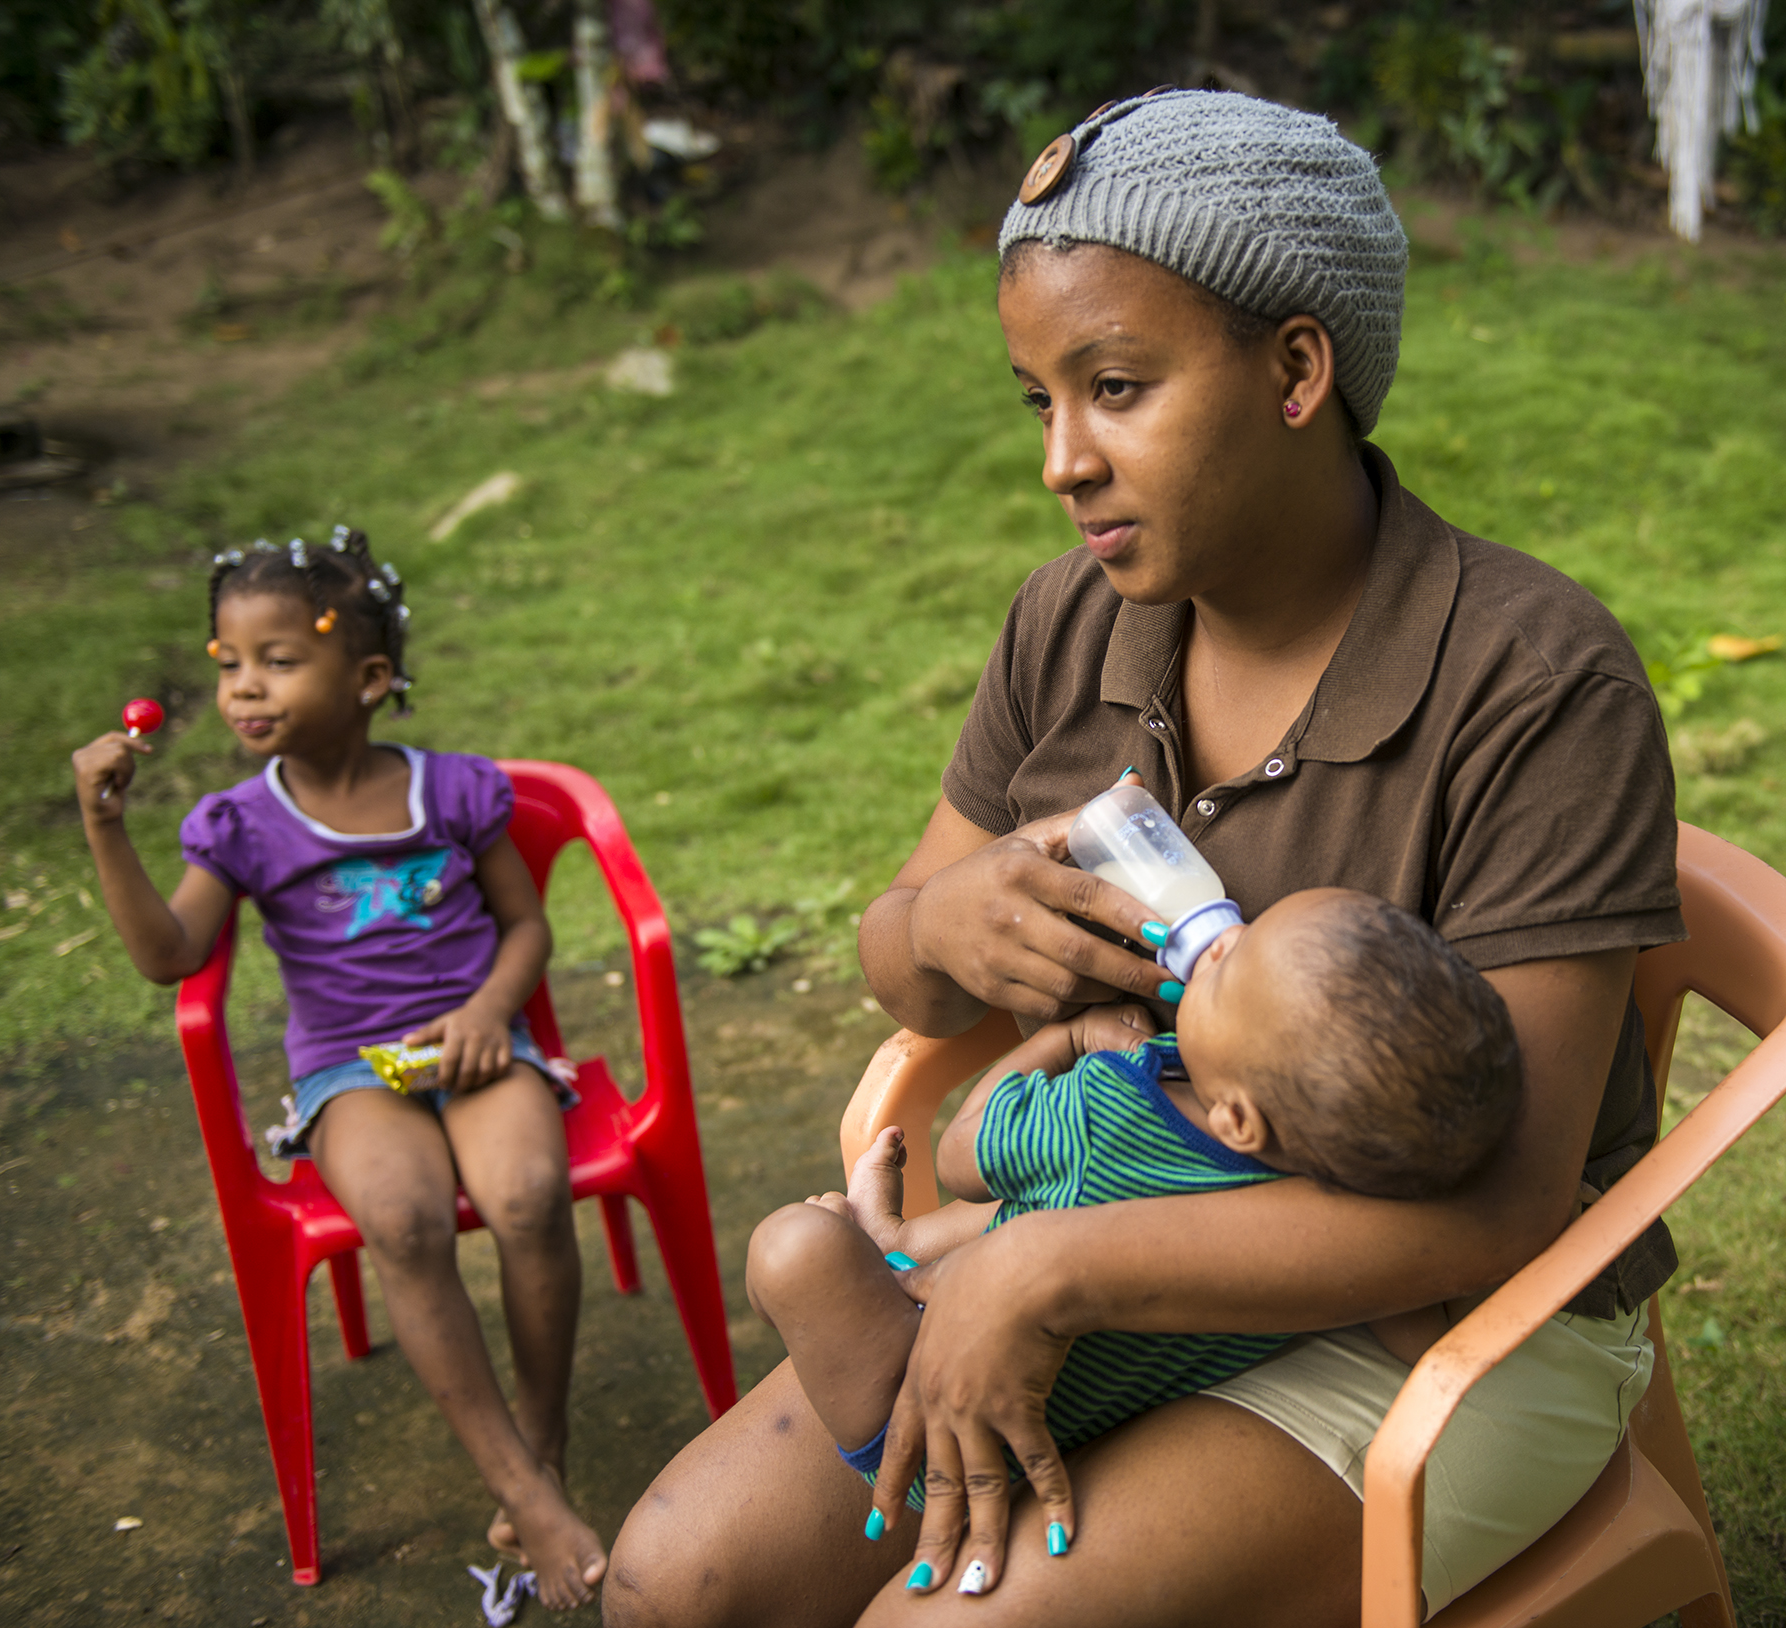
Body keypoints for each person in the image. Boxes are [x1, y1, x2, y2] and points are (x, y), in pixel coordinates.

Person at [607, 87, 1683, 1627]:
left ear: (1296, 367)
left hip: (1437, 1325)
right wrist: (949, 927)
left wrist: (1050, 1281)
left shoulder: (1534, 682)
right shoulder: (1071, 622)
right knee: (671, 1585)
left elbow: (1505, 1207)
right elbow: (899, 967)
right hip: (1075, 1255)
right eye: (1038, 402)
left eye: (1114, 386)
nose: (1063, 460)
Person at [70, 531, 609, 1611]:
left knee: (528, 1193)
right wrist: (103, 823)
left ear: (368, 680)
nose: (242, 686)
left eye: (275, 659)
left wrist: (490, 1010)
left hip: (477, 1043)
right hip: (348, 1074)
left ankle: (541, 1437)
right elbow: (170, 956)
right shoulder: (242, 828)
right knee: (403, 1219)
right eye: (227, 662)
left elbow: (525, 928)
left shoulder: (453, 791)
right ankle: (522, 1488)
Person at [746, 886, 1524, 1591]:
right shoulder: (1316, 1231)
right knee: (1034, 1219)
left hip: (921, 1418)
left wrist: (1072, 1039)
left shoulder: (1112, 1107)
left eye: (1227, 969)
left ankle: (881, 1246)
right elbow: (1416, 1332)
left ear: (1240, 1120)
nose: (1221, 937)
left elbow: (963, 1157)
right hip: (1097, 1425)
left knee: (793, 1248)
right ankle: (888, 1245)